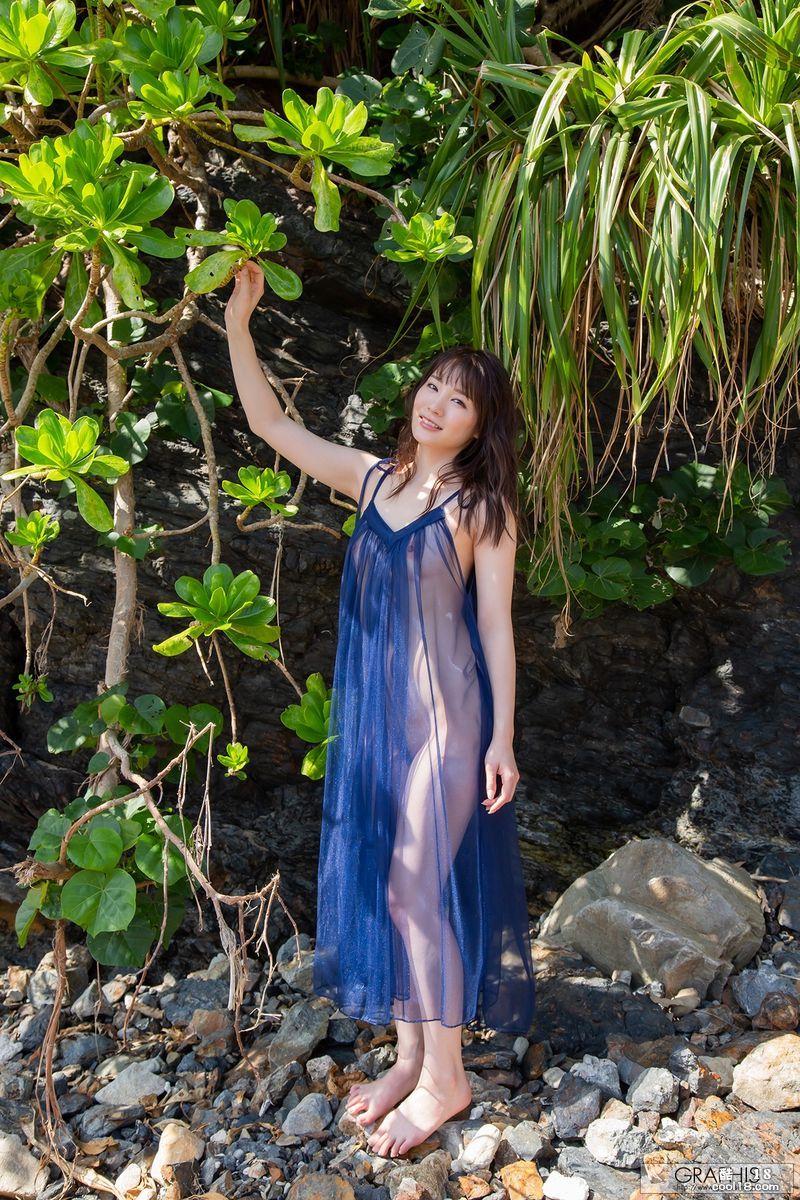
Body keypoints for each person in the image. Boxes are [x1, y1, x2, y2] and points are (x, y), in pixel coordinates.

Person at [225, 260, 536, 1158]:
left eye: (460, 401)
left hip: (449, 726)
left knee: (411, 888)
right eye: (433, 386)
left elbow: (497, 629)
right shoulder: (369, 480)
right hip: (376, 728)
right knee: (391, 889)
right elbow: (270, 423)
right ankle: (410, 1057)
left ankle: (448, 1078)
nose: (436, 404)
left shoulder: (482, 508)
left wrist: (503, 739)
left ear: (479, 427)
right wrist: (240, 325)